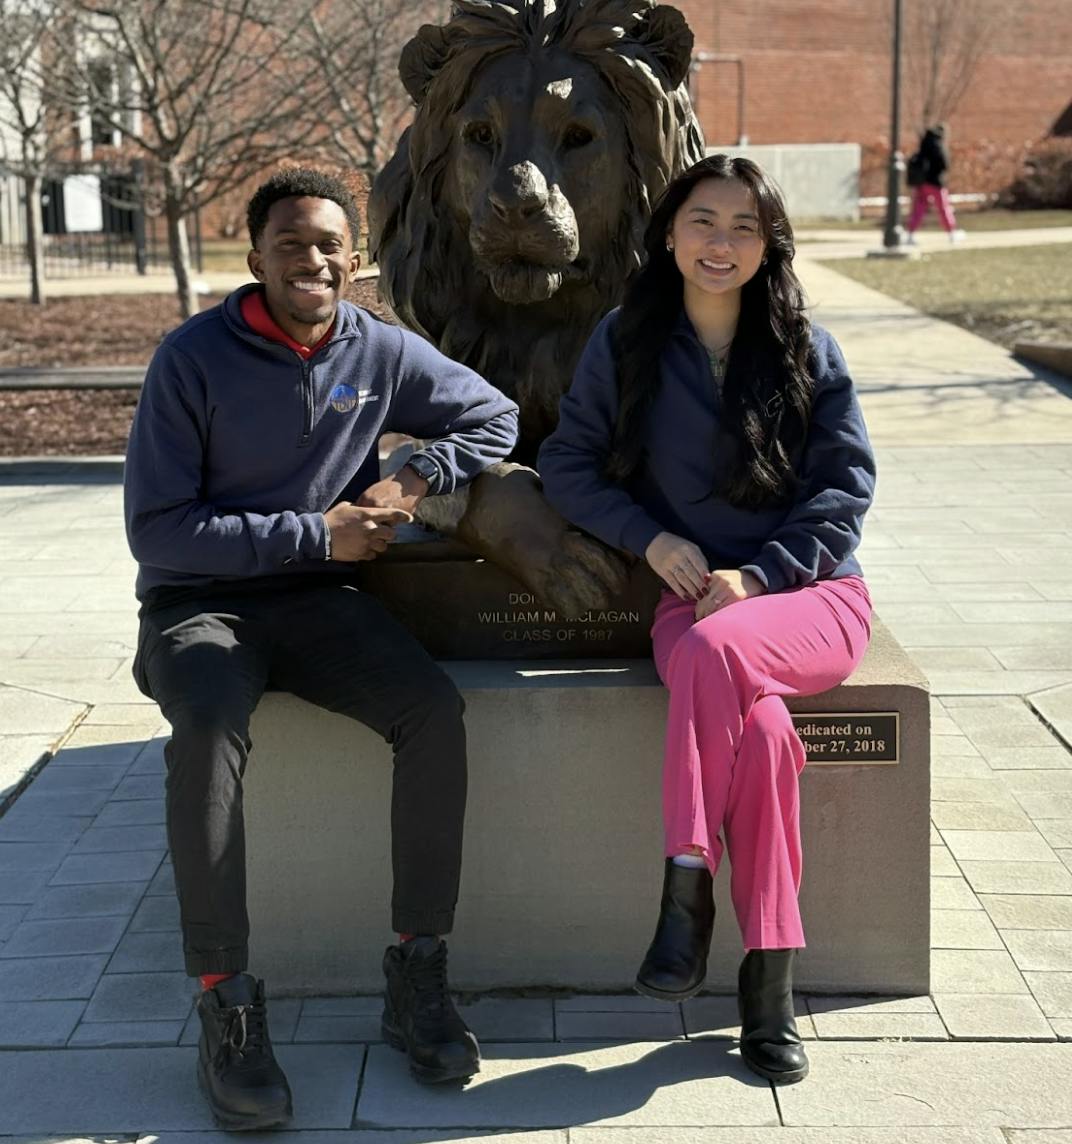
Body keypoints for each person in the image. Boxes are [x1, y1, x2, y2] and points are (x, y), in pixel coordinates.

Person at [124, 168, 519, 1128]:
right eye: (292, 241)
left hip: (320, 603)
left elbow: (494, 415)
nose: (315, 259)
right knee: (211, 724)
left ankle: (416, 975)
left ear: (357, 256)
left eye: (331, 243)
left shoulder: (377, 350)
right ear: (254, 256)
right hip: (199, 606)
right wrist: (316, 532)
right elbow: (159, 531)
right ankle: (225, 1000)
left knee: (431, 711)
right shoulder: (191, 359)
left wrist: (417, 473)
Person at [538, 154, 876, 1085]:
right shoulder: (624, 338)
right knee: (764, 742)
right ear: (670, 232)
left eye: (743, 227)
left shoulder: (806, 346)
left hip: (809, 599)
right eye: (703, 220)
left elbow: (845, 491)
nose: (720, 242)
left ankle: (686, 883)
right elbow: (566, 466)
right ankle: (769, 996)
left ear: (770, 246)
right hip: (686, 602)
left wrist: (761, 575)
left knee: (722, 649)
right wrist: (649, 542)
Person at [905, 124, 966, 243]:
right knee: (944, 208)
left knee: (919, 208)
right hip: (936, 183)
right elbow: (944, 164)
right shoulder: (938, 145)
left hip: (922, 183)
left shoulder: (924, 145)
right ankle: (951, 233)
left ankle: (910, 234)